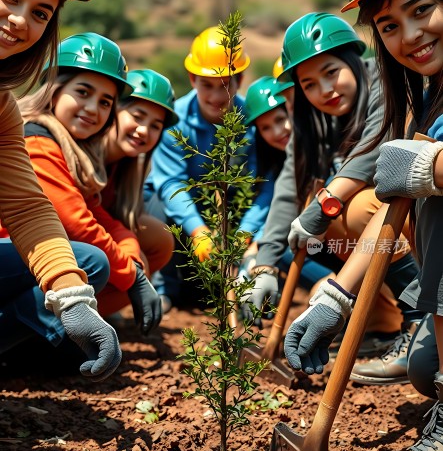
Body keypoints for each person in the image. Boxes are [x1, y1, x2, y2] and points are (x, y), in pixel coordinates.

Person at [284, 0, 443, 451]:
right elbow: (386, 208)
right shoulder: (424, 98)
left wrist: (433, 166)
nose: (410, 35)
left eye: (421, 9)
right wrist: (335, 295)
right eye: (391, 25)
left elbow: (381, 181)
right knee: (427, 372)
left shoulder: (389, 97)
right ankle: (418, 331)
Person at [242, 12, 420, 368]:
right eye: (309, 84)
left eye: (331, 72)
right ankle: (381, 322)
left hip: (421, 219)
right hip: (384, 234)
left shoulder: (386, 81)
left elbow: (373, 150)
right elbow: (288, 191)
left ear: (353, 61)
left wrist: (327, 202)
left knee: (354, 209)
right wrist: (264, 266)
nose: (325, 90)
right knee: (324, 212)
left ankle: (420, 315)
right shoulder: (313, 121)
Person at [0, 0, 121, 380]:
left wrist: (72, 299)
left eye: (40, 13)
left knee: (84, 265)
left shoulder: (3, 109)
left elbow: (28, 208)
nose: (19, 21)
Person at [1, 32, 162, 343]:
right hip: (19, 250)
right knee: (90, 261)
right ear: (54, 89)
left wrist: (132, 258)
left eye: (105, 102)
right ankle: (24, 345)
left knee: (100, 258)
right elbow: (76, 223)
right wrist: (132, 275)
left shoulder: (72, 148)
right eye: (83, 92)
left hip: (23, 258)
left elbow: (97, 214)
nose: (92, 108)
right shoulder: (37, 140)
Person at [145, 24, 275, 311]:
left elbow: (263, 185)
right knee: (152, 201)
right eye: (207, 85)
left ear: (240, 80)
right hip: (183, 214)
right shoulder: (173, 121)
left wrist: (246, 233)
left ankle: (247, 277)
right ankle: (163, 287)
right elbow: (171, 184)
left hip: (233, 215)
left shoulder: (252, 121)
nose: (217, 97)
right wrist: (198, 231)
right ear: (192, 79)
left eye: (226, 84)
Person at [97, 68, 178, 318]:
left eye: (155, 125)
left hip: (99, 238)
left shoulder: (129, 166)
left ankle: (102, 306)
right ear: (114, 111)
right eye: (137, 116)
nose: (143, 131)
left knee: (159, 238)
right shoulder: (86, 153)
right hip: (66, 243)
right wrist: (130, 256)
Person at [240, 75, 332, 292]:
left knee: (283, 249)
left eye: (280, 119)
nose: (277, 131)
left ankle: (334, 286)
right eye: (266, 128)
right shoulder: (273, 164)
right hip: (312, 238)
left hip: (330, 236)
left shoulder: (317, 149)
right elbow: (272, 205)